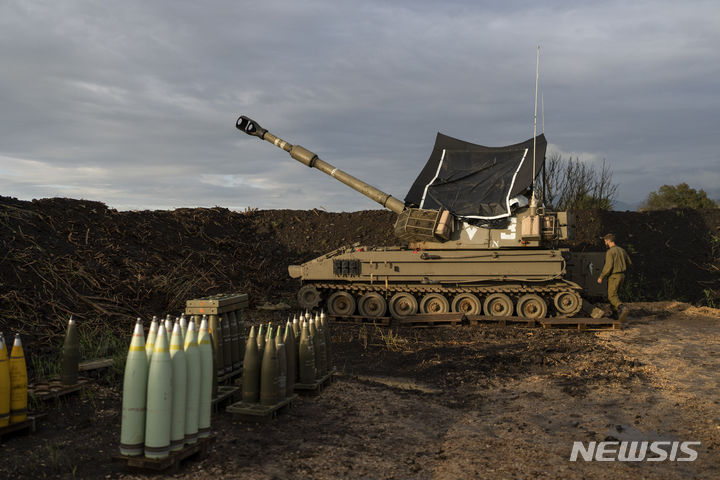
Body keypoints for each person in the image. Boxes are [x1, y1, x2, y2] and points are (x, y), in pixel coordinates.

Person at [597, 233, 632, 321]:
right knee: (616, 295)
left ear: (608, 241)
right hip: (622, 275)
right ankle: (615, 315)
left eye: (605, 240)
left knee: (611, 296)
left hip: (614, 276)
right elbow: (629, 263)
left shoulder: (610, 252)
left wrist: (601, 276)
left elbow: (608, 266)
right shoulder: (622, 250)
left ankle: (623, 308)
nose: (605, 242)